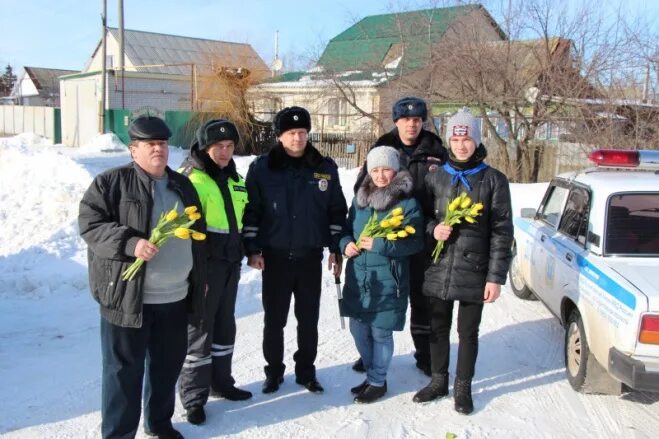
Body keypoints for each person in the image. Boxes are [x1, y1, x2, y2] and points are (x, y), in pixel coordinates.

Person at [78, 115, 207, 439]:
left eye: (162, 144)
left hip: (175, 298)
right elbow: (90, 226)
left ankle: (159, 424)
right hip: (128, 299)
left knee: (166, 369)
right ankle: (119, 434)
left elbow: (196, 229)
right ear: (133, 150)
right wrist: (131, 244)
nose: (158, 150)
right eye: (150, 145)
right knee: (123, 374)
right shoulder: (110, 184)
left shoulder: (182, 184)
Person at [414, 107, 513, 415]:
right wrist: (434, 229)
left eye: (467, 138)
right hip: (439, 266)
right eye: (456, 139)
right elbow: (421, 218)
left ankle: (463, 387)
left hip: (474, 269)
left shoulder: (493, 180)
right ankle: (438, 381)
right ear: (449, 141)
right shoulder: (435, 177)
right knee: (437, 328)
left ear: (476, 140)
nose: (461, 145)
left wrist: (495, 277)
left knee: (467, 332)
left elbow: (502, 231)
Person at [243, 106, 347, 394]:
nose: (298, 138)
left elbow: (337, 212)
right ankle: (274, 371)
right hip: (274, 259)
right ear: (280, 136)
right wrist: (252, 248)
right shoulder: (262, 168)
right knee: (274, 320)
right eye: (291, 133)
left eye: (302, 133)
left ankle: (306, 371)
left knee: (308, 319)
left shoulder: (324, 168)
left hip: (310, 257)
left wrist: (336, 249)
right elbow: (252, 211)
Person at [352, 96, 447, 376]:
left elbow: (448, 188)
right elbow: (363, 186)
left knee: (421, 297)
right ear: (396, 122)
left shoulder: (435, 149)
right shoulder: (383, 146)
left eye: (417, 120)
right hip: (386, 233)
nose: (412, 125)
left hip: (422, 233)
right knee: (380, 295)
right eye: (406, 120)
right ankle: (369, 353)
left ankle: (424, 354)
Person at [177, 119, 252, 426]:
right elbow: (184, 229)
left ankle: (222, 383)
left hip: (230, 264)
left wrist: (251, 251)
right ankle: (194, 398)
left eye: (230, 146)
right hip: (203, 267)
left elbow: (243, 220)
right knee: (199, 331)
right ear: (205, 147)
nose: (224, 152)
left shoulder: (236, 178)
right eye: (218, 147)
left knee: (224, 325)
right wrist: (197, 271)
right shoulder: (191, 179)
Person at [340, 146, 424, 403]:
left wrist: (381, 245)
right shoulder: (360, 200)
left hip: (389, 280)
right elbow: (346, 229)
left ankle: (378, 381)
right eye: (375, 169)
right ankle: (372, 371)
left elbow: (415, 243)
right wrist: (345, 244)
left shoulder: (407, 204)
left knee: (380, 333)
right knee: (357, 328)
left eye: (386, 169)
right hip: (359, 277)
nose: (380, 175)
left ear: (395, 170)